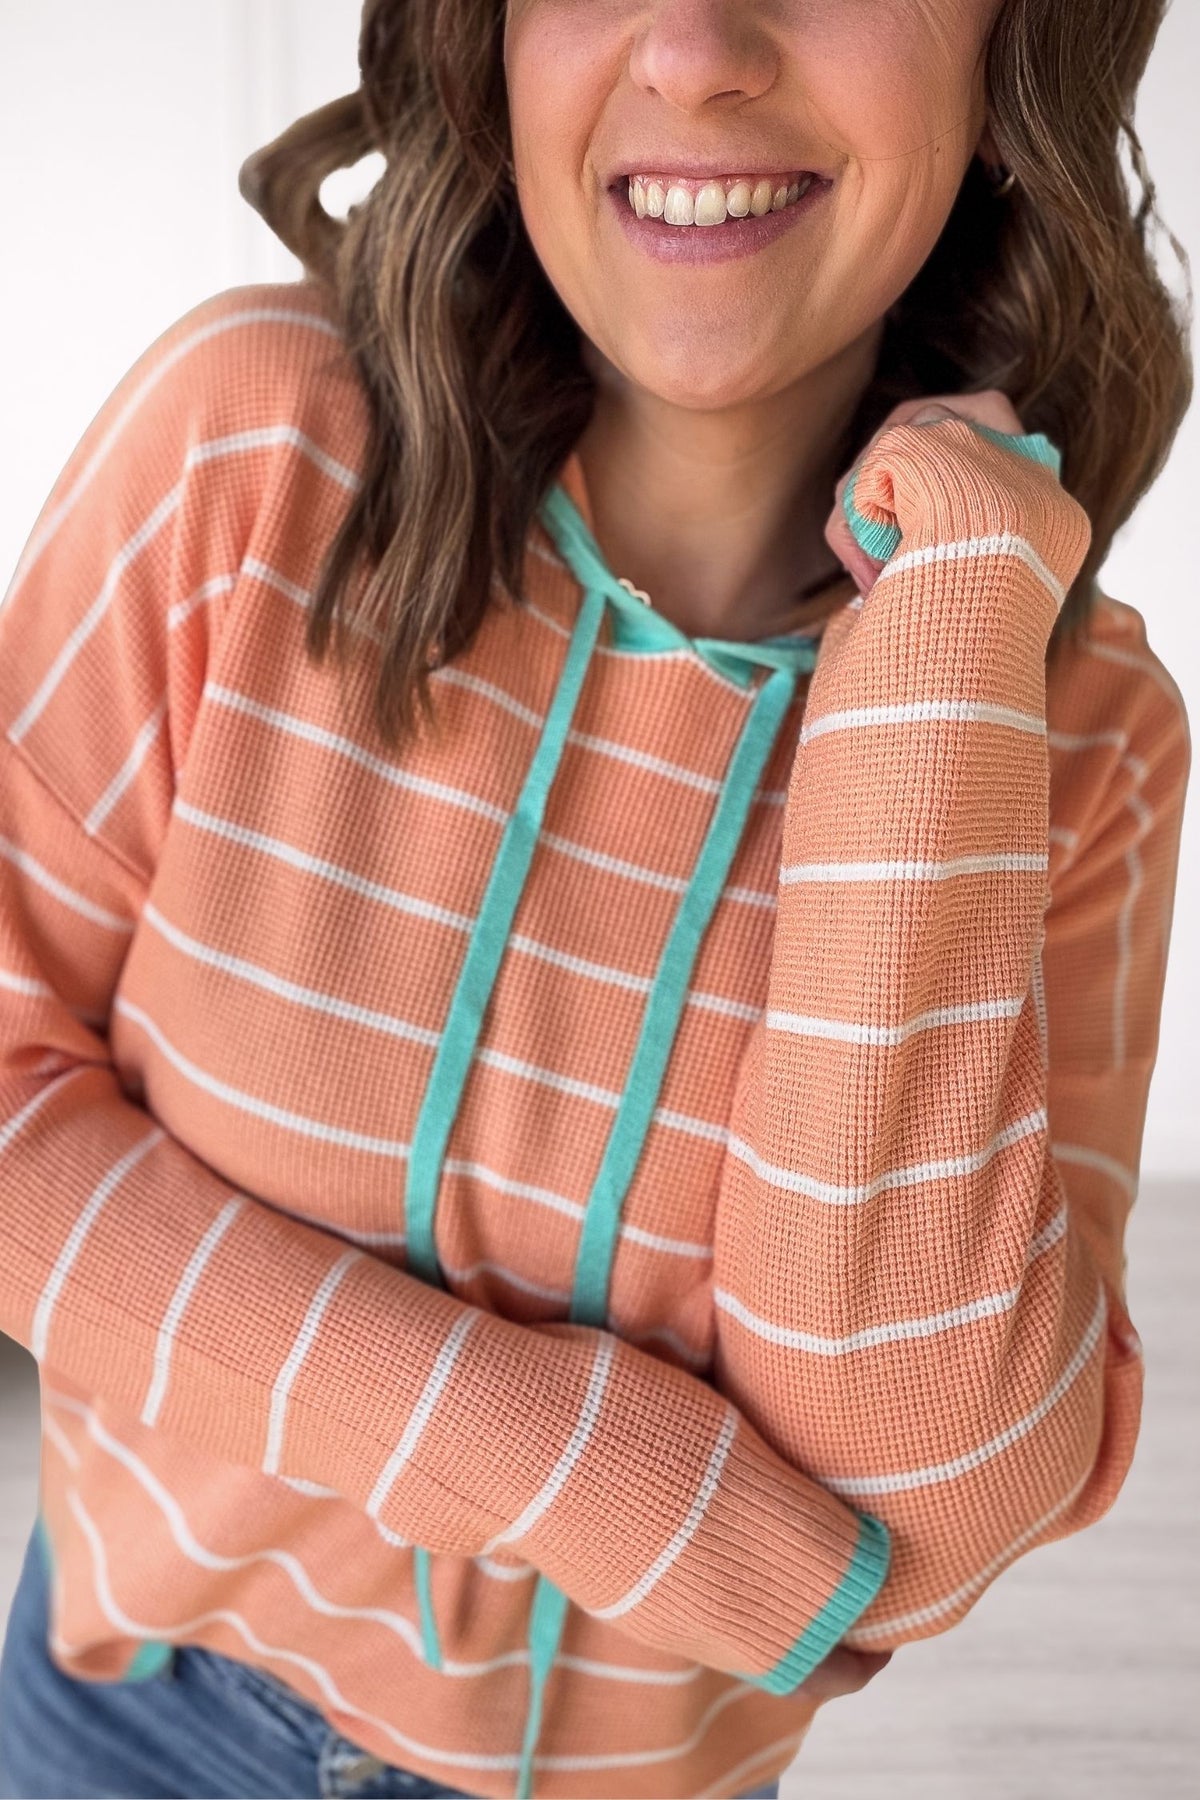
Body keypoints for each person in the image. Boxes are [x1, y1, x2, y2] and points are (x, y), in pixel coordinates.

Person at [0, 0, 1191, 1797]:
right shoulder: (250, 458)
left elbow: (929, 1500)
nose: (701, 45)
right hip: (126, 1728)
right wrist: (595, 1476)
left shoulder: (1069, 728)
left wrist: (936, 649)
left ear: (1018, 71)